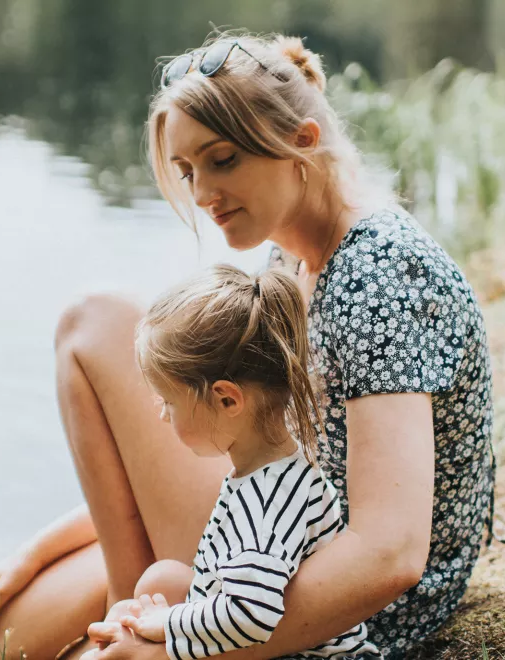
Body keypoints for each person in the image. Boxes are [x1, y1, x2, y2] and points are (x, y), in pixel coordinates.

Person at [0, 31, 494, 660]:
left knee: (96, 324)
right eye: (188, 171)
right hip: (271, 533)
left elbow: (388, 556)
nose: (200, 195)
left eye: (221, 161)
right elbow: (248, 452)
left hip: (341, 607)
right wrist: (43, 550)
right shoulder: (294, 256)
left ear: (301, 140)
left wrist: (172, 648)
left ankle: (127, 622)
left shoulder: (382, 275)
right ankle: (127, 600)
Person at [113, 264, 381, 660]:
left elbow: (250, 614)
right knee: (157, 585)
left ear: (226, 400)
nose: (163, 415)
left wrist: (167, 626)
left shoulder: (267, 502)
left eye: (169, 401)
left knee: (133, 632)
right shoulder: (271, 469)